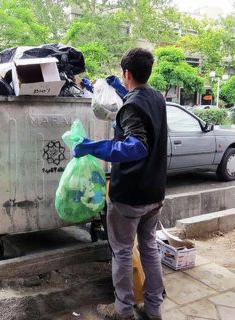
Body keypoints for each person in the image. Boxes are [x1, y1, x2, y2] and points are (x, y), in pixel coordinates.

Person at [74, 48, 167, 320]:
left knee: (123, 252)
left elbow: (136, 145)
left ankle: (123, 311)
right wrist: (121, 91)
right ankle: (153, 309)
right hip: (155, 192)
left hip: (130, 196)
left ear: (127, 73)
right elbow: (142, 117)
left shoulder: (132, 105)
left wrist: (94, 147)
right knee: (149, 247)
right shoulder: (157, 98)